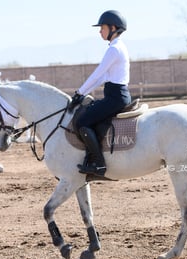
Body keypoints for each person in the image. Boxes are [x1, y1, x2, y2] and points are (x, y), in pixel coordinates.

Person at [68, 10, 131, 177]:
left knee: (82, 121)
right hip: (116, 95)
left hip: (115, 98)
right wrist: (81, 94)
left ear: (112, 28)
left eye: (102, 27)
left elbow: (97, 74)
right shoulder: (117, 47)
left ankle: (98, 164)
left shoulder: (114, 49)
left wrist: (79, 92)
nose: (99, 31)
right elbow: (102, 77)